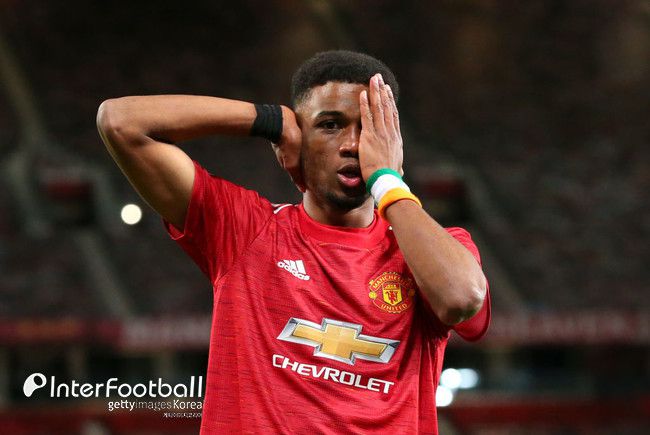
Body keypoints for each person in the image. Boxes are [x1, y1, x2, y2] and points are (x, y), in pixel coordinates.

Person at [97, 50, 490, 434]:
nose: (353, 144)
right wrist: (269, 119)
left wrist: (387, 180)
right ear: (299, 139)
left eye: (369, 128)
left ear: (392, 141)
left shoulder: (431, 250)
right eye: (330, 125)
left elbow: (462, 298)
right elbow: (121, 122)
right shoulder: (244, 229)